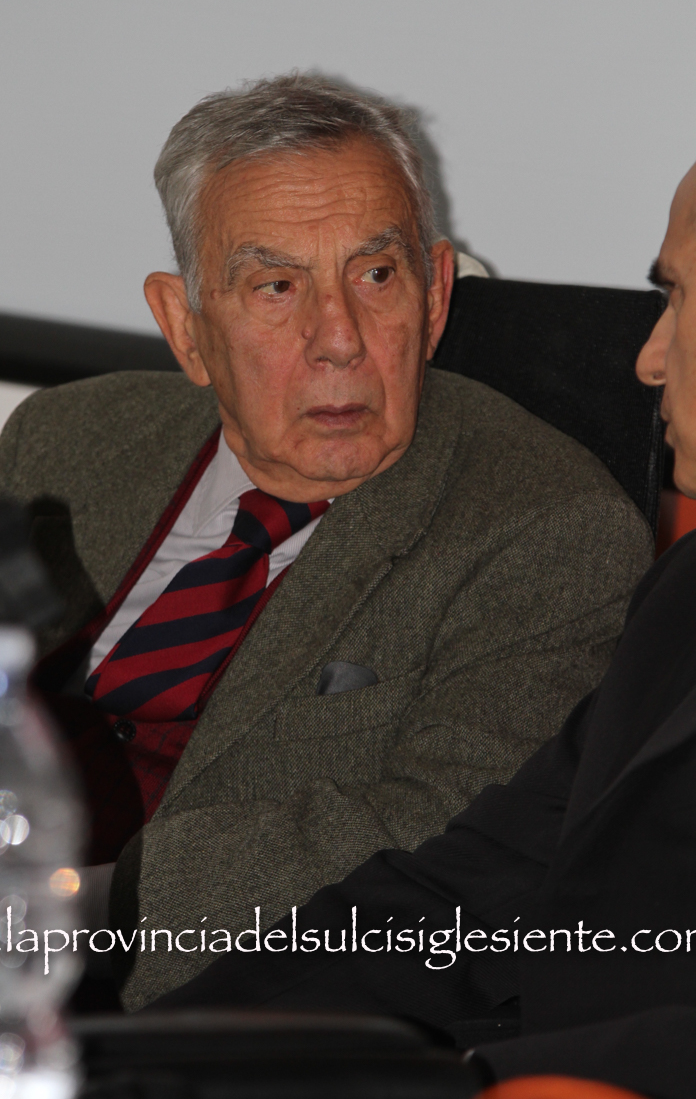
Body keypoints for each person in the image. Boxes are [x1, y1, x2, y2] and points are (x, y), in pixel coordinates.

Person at [0, 75, 650, 1010]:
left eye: (376, 275)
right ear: (185, 327)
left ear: (437, 294)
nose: (339, 339)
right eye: (277, 287)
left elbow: (436, 840)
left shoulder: (547, 527)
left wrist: (52, 906)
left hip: (200, 1012)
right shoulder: (71, 442)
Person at [153, 162, 696, 1099]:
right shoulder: (685, 595)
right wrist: (158, 1052)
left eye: (679, 300)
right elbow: (477, 885)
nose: (648, 361)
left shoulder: (553, 530)